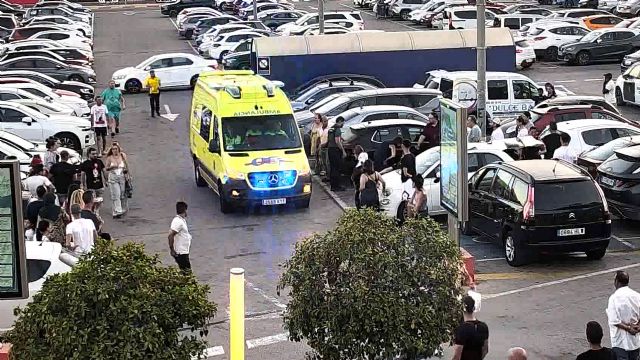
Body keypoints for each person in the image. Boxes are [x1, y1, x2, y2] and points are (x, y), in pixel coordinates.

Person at [607, 271, 640, 360]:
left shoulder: (613, 298)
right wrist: (638, 327)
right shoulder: (637, 296)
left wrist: (629, 329)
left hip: (620, 343)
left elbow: (614, 320)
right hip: (635, 342)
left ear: (616, 282)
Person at [452, 295, 489, 360]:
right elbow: (485, 349)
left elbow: (457, 355)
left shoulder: (462, 329)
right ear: (473, 308)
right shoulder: (483, 326)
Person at [104, 143, 129, 218]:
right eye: (113, 149)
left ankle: (121, 209)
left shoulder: (122, 156)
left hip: (121, 176)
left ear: (118, 149)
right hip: (113, 177)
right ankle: (117, 211)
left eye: (116, 149)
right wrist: (112, 167)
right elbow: (106, 168)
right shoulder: (109, 158)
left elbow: (126, 166)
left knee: (122, 193)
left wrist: (128, 175)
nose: (114, 150)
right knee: (116, 194)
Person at [168, 201, 192, 272]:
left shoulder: (180, 220)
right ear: (185, 210)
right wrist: (172, 249)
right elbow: (170, 235)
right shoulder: (178, 222)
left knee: (185, 272)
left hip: (183, 251)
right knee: (187, 272)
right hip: (181, 252)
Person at [327, 116, 347, 191]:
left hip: (330, 149)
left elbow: (331, 138)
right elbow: (337, 141)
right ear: (340, 121)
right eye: (343, 123)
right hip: (335, 150)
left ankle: (333, 186)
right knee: (337, 169)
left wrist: (341, 138)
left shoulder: (331, 128)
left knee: (333, 168)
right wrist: (343, 151)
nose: (343, 124)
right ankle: (337, 186)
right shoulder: (338, 129)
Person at [352, 145, 368, 209]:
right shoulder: (368, 163)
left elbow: (353, 177)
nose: (354, 155)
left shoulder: (358, 167)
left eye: (354, 154)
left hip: (359, 188)